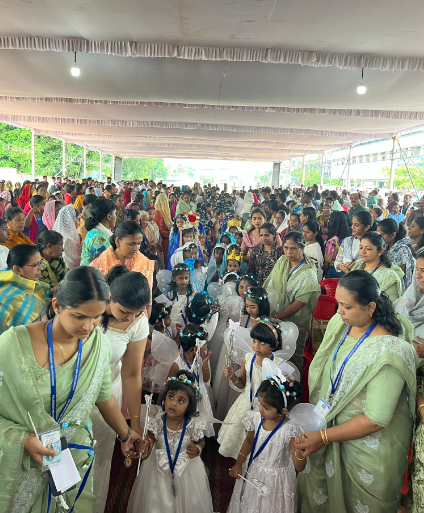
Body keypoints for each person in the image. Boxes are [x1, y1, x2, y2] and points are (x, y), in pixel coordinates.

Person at [0, 266, 142, 512]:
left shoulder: (98, 346)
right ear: (57, 306)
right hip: (24, 462)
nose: (88, 326)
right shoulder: (12, 345)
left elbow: (104, 397)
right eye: (79, 316)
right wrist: (22, 440)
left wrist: (126, 434)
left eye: (97, 316)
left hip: (72, 457)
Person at [295, 270, 417, 513]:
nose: (338, 311)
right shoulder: (341, 324)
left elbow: (376, 419)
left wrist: (324, 437)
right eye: (338, 303)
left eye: (346, 306)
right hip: (328, 422)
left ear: (371, 307)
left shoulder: (388, 352)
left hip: (366, 449)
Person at [91, 266, 150, 513]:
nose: (130, 318)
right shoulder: (87, 310)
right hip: (73, 391)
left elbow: (132, 373)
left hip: (108, 394)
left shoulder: (138, 322)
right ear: (110, 297)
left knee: (97, 457)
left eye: (137, 313)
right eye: (125, 312)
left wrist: (134, 424)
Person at [127, 370, 213, 513]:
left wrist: (198, 448)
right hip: (158, 471)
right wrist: (143, 446)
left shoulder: (193, 425)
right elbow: (148, 443)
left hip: (186, 471)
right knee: (156, 503)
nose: (173, 403)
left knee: (188, 502)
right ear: (164, 398)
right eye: (171, 397)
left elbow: (201, 441)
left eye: (181, 400)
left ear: (189, 406)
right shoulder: (157, 422)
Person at [227, 374, 305, 513]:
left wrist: (300, 452)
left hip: (276, 482)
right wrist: (239, 463)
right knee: (250, 505)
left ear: (283, 411)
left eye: (266, 407)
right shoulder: (256, 419)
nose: (261, 409)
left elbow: (299, 467)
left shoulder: (290, 430)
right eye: (260, 403)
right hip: (253, 471)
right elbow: (249, 441)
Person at [217, 318, 285, 459]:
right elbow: (242, 384)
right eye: (254, 340)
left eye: (262, 343)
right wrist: (232, 376)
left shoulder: (279, 365)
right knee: (238, 439)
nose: (256, 346)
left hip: (265, 408)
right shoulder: (247, 359)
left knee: (260, 443)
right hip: (245, 404)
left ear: (274, 345)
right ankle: (239, 462)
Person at [264, 232, 321, 372]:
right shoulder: (282, 261)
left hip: (296, 321)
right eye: (286, 248)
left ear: (302, 248)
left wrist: (276, 317)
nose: (288, 252)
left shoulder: (308, 272)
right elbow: (271, 283)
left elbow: (301, 302)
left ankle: (293, 384)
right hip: (275, 315)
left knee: (293, 357)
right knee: (274, 353)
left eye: (293, 248)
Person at [394, 256, 424, 512]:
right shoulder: (410, 300)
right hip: (413, 387)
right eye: (418, 270)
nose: (419, 277)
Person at [168, 324, 214, 438]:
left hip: (200, 398)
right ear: (195, 349)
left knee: (200, 427)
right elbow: (169, 385)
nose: (207, 347)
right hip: (185, 400)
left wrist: (205, 364)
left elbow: (206, 380)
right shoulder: (177, 365)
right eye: (205, 344)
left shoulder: (201, 359)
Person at [0, 244, 50, 333]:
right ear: (17, 269)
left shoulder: (25, 283)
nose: (41, 268)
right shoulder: (9, 301)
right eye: (35, 265)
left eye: (40, 263)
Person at [90, 221, 154, 290]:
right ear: (117, 241)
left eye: (139, 244)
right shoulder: (98, 265)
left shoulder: (145, 264)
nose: (136, 248)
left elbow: (147, 294)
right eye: (131, 244)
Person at [350, 231, 403, 302]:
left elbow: (391, 305)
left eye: (368, 249)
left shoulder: (389, 276)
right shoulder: (358, 265)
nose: (363, 252)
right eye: (361, 247)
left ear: (380, 251)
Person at [377, 218, 415, 291]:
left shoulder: (402, 250)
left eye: (382, 235)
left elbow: (399, 275)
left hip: (397, 287)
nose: (379, 238)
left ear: (393, 235)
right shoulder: (385, 247)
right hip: (385, 283)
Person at [80, 198, 116, 266]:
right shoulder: (99, 238)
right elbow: (103, 267)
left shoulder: (96, 232)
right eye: (115, 214)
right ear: (109, 216)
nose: (116, 217)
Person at [53, 204, 82, 269]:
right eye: (77, 219)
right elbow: (75, 260)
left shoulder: (67, 234)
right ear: (70, 221)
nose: (79, 223)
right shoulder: (67, 239)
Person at [154, 192, 173, 258]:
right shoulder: (158, 213)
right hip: (163, 241)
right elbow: (159, 230)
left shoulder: (162, 211)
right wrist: (171, 233)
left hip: (166, 239)